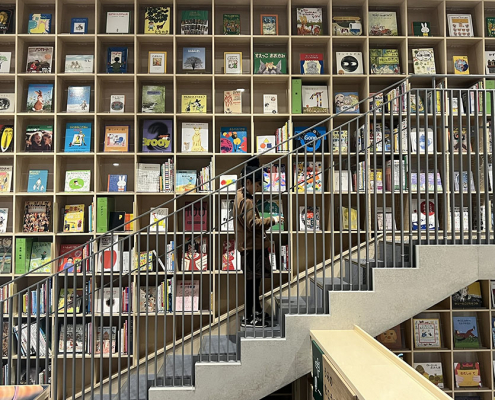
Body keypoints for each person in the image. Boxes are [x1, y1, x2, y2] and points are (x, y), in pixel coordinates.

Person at [234, 159, 283, 327]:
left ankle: (255, 311)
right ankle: (250, 317)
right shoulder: (247, 201)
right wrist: (274, 219)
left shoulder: (240, 194)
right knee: (253, 283)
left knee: (253, 283)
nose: (259, 188)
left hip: (249, 248)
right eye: (257, 184)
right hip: (251, 249)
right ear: (248, 182)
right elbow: (253, 224)